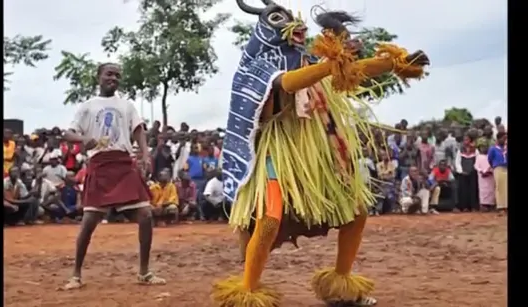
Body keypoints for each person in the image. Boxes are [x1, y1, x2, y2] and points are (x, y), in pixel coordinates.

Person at [212, 2, 430, 306]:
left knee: (357, 212)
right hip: (277, 153)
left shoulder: (310, 60)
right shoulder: (259, 67)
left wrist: (393, 63)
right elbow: (287, 83)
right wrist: (330, 65)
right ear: (266, 30)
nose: (297, 27)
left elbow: (354, 71)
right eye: (281, 20)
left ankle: (341, 287)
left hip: (318, 156)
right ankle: (247, 292)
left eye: (297, 22)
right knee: (269, 220)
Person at [61, 63, 166, 290]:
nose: (114, 78)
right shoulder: (87, 106)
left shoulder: (126, 105)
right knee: (89, 222)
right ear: (98, 77)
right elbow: (68, 133)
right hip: (99, 164)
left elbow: (138, 130)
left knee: (146, 215)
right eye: (109, 74)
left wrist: (146, 154)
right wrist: (82, 140)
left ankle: (144, 272)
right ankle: (76, 275)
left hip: (123, 164)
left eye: (117, 76)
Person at [454, 135, 479, 212]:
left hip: (472, 172)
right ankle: (464, 207)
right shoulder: (460, 150)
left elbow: (477, 161)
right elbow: (457, 162)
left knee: (473, 189)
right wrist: (461, 171)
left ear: (470, 141)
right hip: (463, 173)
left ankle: (473, 207)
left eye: (467, 140)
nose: (465, 141)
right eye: (464, 140)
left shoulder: (475, 150)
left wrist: (473, 169)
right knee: (463, 190)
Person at [488, 132, 507, 214]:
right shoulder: (493, 148)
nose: (505, 140)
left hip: (506, 168)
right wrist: (494, 166)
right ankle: (500, 206)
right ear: (498, 139)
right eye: (504, 138)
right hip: (498, 168)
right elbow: (489, 159)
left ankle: (506, 205)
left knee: (506, 187)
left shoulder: (506, 148)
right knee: (499, 187)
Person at [474, 144, 495, 211]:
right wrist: (482, 171)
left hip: (490, 175)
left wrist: (489, 171)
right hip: (482, 176)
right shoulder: (479, 157)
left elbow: (493, 165)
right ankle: (483, 205)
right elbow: (476, 166)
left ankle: (491, 205)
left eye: (485, 147)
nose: (484, 149)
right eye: (482, 147)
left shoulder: (490, 156)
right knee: (483, 190)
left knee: (491, 190)